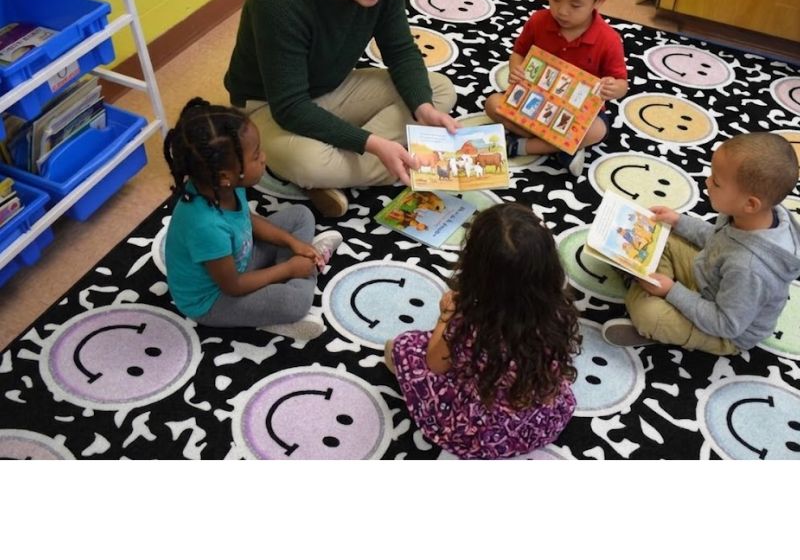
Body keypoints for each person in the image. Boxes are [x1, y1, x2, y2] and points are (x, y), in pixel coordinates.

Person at [223, 0, 458, 218]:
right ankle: (407, 161)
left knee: (437, 91)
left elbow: (401, 50)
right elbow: (290, 106)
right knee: (307, 162)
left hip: (334, 87)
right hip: (268, 106)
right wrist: (373, 143)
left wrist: (422, 109)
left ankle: (347, 166)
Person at [385, 203, 581, 459]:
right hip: (537, 423)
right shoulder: (558, 314)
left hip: (478, 430)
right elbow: (552, 384)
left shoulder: (471, 323)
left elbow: (435, 363)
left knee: (403, 347)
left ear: (476, 267)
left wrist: (446, 316)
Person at [603, 132, 800, 354]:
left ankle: (649, 313)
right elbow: (714, 238)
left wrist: (671, 291)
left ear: (750, 204)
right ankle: (645, 282)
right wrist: (678, 221)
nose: (707, 182)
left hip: (725, 332)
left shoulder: (750, 268)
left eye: (715, 182)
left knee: (650, 316)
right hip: (708, 277)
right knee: (664, 234)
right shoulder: (753, 215)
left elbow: (725, 324)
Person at [163, 98, 343, 337]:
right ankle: (286, 294)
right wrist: (289, 269)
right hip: (216, 298)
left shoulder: (223, 186)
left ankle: (293, 273)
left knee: (301, 215)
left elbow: (246, 221)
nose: (264, 158)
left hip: (241, 258)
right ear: (226, 175)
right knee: (294, 302)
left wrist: (292, 243)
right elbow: (233, 286)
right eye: (256, 156)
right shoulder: (205, 226)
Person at [484, 0, 628, 176]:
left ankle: (521, 146)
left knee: (597, 130)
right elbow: (519, 52)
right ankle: (562, 148)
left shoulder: (609, 39)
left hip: (578, 113)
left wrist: (614, 88)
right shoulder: (538, 21)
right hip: (534, 99)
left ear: (599, 2)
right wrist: (516, 69)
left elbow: (622, 84)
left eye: (575, 5)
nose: (562, 10)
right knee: (492, 104)